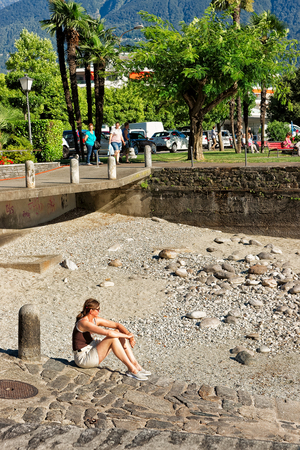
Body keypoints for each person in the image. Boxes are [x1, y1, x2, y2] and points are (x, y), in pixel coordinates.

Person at [72, 298, 151, 381]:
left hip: (91, 347)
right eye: (98, 309)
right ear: (91, 311)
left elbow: (117, 325)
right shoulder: (83, 323)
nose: (99, 311)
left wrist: (128, 334)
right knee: (113, 338)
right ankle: (132, 369)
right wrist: (127, 337)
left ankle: (136, 365)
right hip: (83, 358)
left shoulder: (95, 320)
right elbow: (108, 333)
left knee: (117, 332)